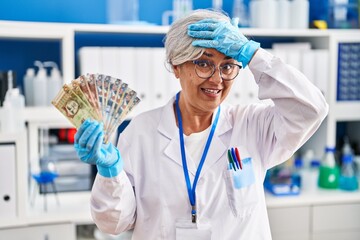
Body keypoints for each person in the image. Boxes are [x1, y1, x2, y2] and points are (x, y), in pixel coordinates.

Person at [74, 9, 328, 240]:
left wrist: (252, 54)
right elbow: (114, 224)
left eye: (228, 65)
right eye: (204, 63)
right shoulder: (140, 133)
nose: (217, 79)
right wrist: (110, 173)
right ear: (176, 65)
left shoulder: (252, 125)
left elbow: (312, 108)